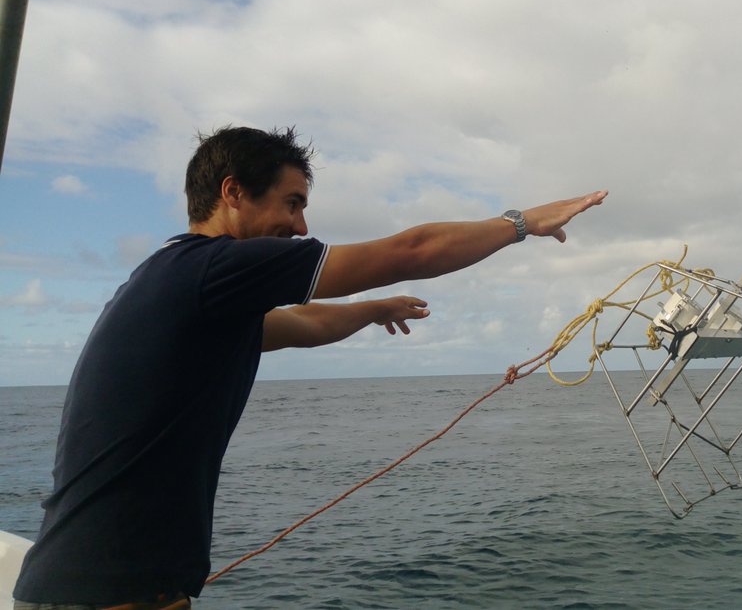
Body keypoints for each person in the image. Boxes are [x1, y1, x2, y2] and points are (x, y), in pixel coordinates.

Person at [13, 126, 607, 608]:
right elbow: (413, 250)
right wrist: (523, 223)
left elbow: (303, 326)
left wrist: (372, 310)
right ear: (233, 193)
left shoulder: (180, 283)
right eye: (292, 204)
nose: (300, 227)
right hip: (104, 593)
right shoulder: (217, 268)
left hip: (104, 585)